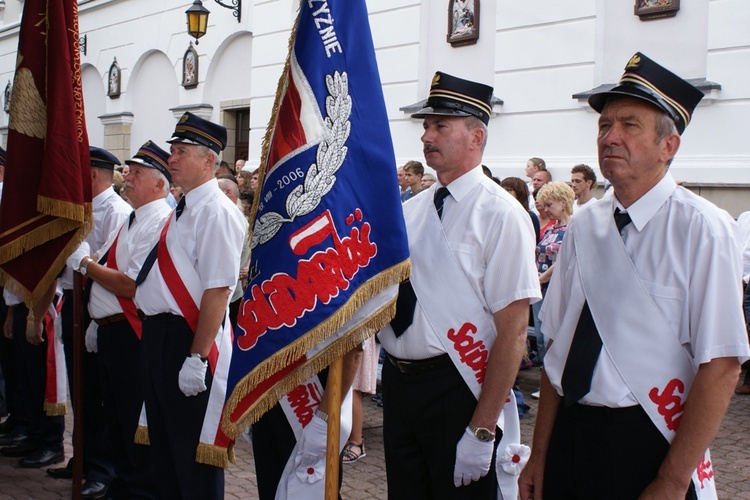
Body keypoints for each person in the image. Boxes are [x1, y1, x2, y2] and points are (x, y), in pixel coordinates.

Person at [519, 52, 750, 499]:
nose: (610, 137)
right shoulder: (585, 224)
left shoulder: (702, 228)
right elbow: (560, 351)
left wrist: (671, 479)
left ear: (669, 146)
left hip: (648, 442)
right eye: (604, 125)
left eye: (630, 125)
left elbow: (721, 365)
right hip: (572, 432)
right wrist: (540, 453)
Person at [378, 71, 540, 499]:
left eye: (440, 126)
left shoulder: (502, 215)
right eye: (426, 126)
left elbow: (514, 331)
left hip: (459, 388)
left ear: (476, 136)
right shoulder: (412, 210)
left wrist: (483, 429)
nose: (426, 136)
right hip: (398, 385)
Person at [134, 112, 247, 499]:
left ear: (210, 161)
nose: (172, 158)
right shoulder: (184, 208)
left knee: (191, 458)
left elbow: (218, 290)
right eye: (173, 150)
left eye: (182, 151)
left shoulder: (216, 212)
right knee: (165, 452)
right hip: (160, 336)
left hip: (188, 338)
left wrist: (197, 357)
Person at [66, 141, 173, 499]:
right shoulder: (132, 216)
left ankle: (139, 488)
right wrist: (97, 320)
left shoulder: (157, 220)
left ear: (160, 184)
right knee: (115, 416)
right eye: (129, 171)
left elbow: (128, 284)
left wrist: (84, 264)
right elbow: (107, 262)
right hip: (111, 330)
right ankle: (124, 483)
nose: (127, 178)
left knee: (132, 416)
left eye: (137, 173)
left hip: (131, 332)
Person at [48, 147, 130, 496]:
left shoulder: (116, 211)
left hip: (99, 306)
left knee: (98, 391)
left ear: (94, 175)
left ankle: (100, 467)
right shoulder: (85, 209)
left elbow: (111, 265)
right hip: (75, 301)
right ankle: (82, 456)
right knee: (81, 387)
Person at [531, 182, 574, 387]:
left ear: (563, 203)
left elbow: (562, 261)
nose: (545, 209)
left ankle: (553, 384)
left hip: (553, 289)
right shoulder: (551, 229)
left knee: (552, 335)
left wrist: (540, 279)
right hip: (540, 288)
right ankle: (545, 382)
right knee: (540, 335)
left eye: (549, 204)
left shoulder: (572, 228)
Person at [500, 177, 540, 244]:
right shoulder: (500, 214)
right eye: (501, 190)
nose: (504, 193)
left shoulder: (529, 216)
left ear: (519, 192)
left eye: (508, 190)